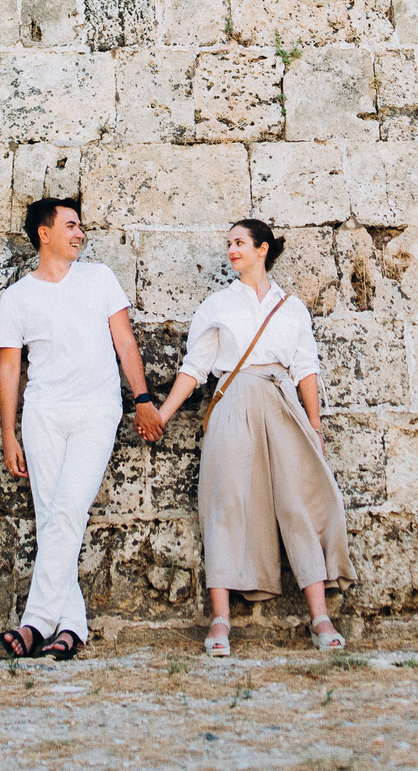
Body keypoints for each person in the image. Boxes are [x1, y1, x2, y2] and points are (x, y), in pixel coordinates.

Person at [147, 218, 354, 657]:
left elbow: (305, 368)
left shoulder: (291, 308)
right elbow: (196, 367)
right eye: (229, 243)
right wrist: (162, 414)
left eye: (240, 242)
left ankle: (320, 617)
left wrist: (315, 426)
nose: (232, 250)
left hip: (282, 403)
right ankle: (220, 620)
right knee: (225, 501)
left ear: (263, 249)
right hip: (233, 399)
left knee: (299, 502)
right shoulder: (218, 305)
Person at [0, 197, 164, 660]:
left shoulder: (99, 278)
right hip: (43, 415)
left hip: (96, 409)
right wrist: (8, 433)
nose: (79, 233)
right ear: (44, 233)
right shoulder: (17, 297)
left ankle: (34, 624)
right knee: (53, 519)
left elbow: (125, 342)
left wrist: (142, 398)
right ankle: (70, 627)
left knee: (68, 510)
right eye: (70, 225)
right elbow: (10, 370)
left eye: (80, 225)